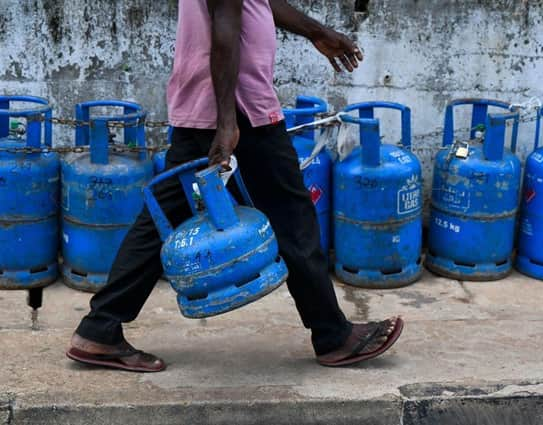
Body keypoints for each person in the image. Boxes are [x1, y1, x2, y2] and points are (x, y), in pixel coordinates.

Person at [66, 0, 404, 372]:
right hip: (238, 107)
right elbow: (224, 30)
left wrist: (317, 32)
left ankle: (99, 329)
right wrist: (227, 121)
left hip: (207, 102)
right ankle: (334, 336)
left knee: (163, 216)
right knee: (293, 218)